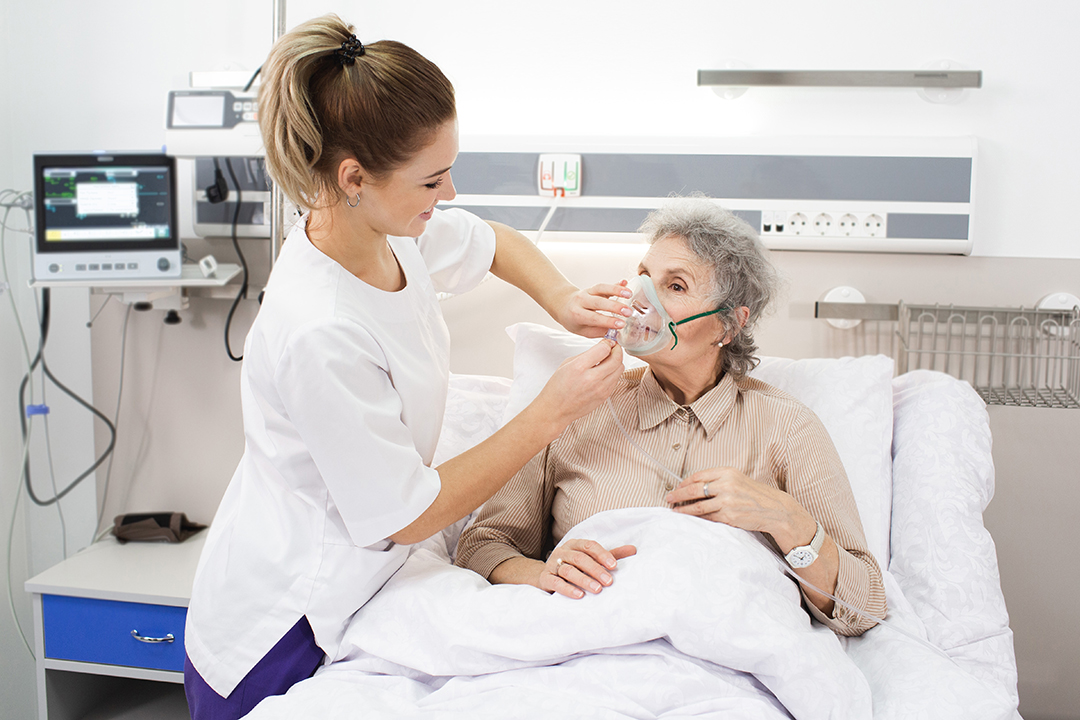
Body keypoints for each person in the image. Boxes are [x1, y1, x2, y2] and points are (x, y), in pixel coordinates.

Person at [183, 15, 630, 720]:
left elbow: (493, 242)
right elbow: (409, 513)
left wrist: (564, 299)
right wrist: (551, 413)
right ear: (353, 177)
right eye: (431, 180)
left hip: (363, 583)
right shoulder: (319, 329)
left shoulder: (385, 229)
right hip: (284, 624)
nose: (447, 194)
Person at [456, 197, 887, 637]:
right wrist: (541, 572)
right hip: (589, 649)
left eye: (675, 286)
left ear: (727, 325)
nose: (641, 300)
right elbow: (483, 545)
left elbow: (864, 603)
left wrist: (786, 518)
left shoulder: (786, 427)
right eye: (643, 277)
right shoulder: (574, 407)